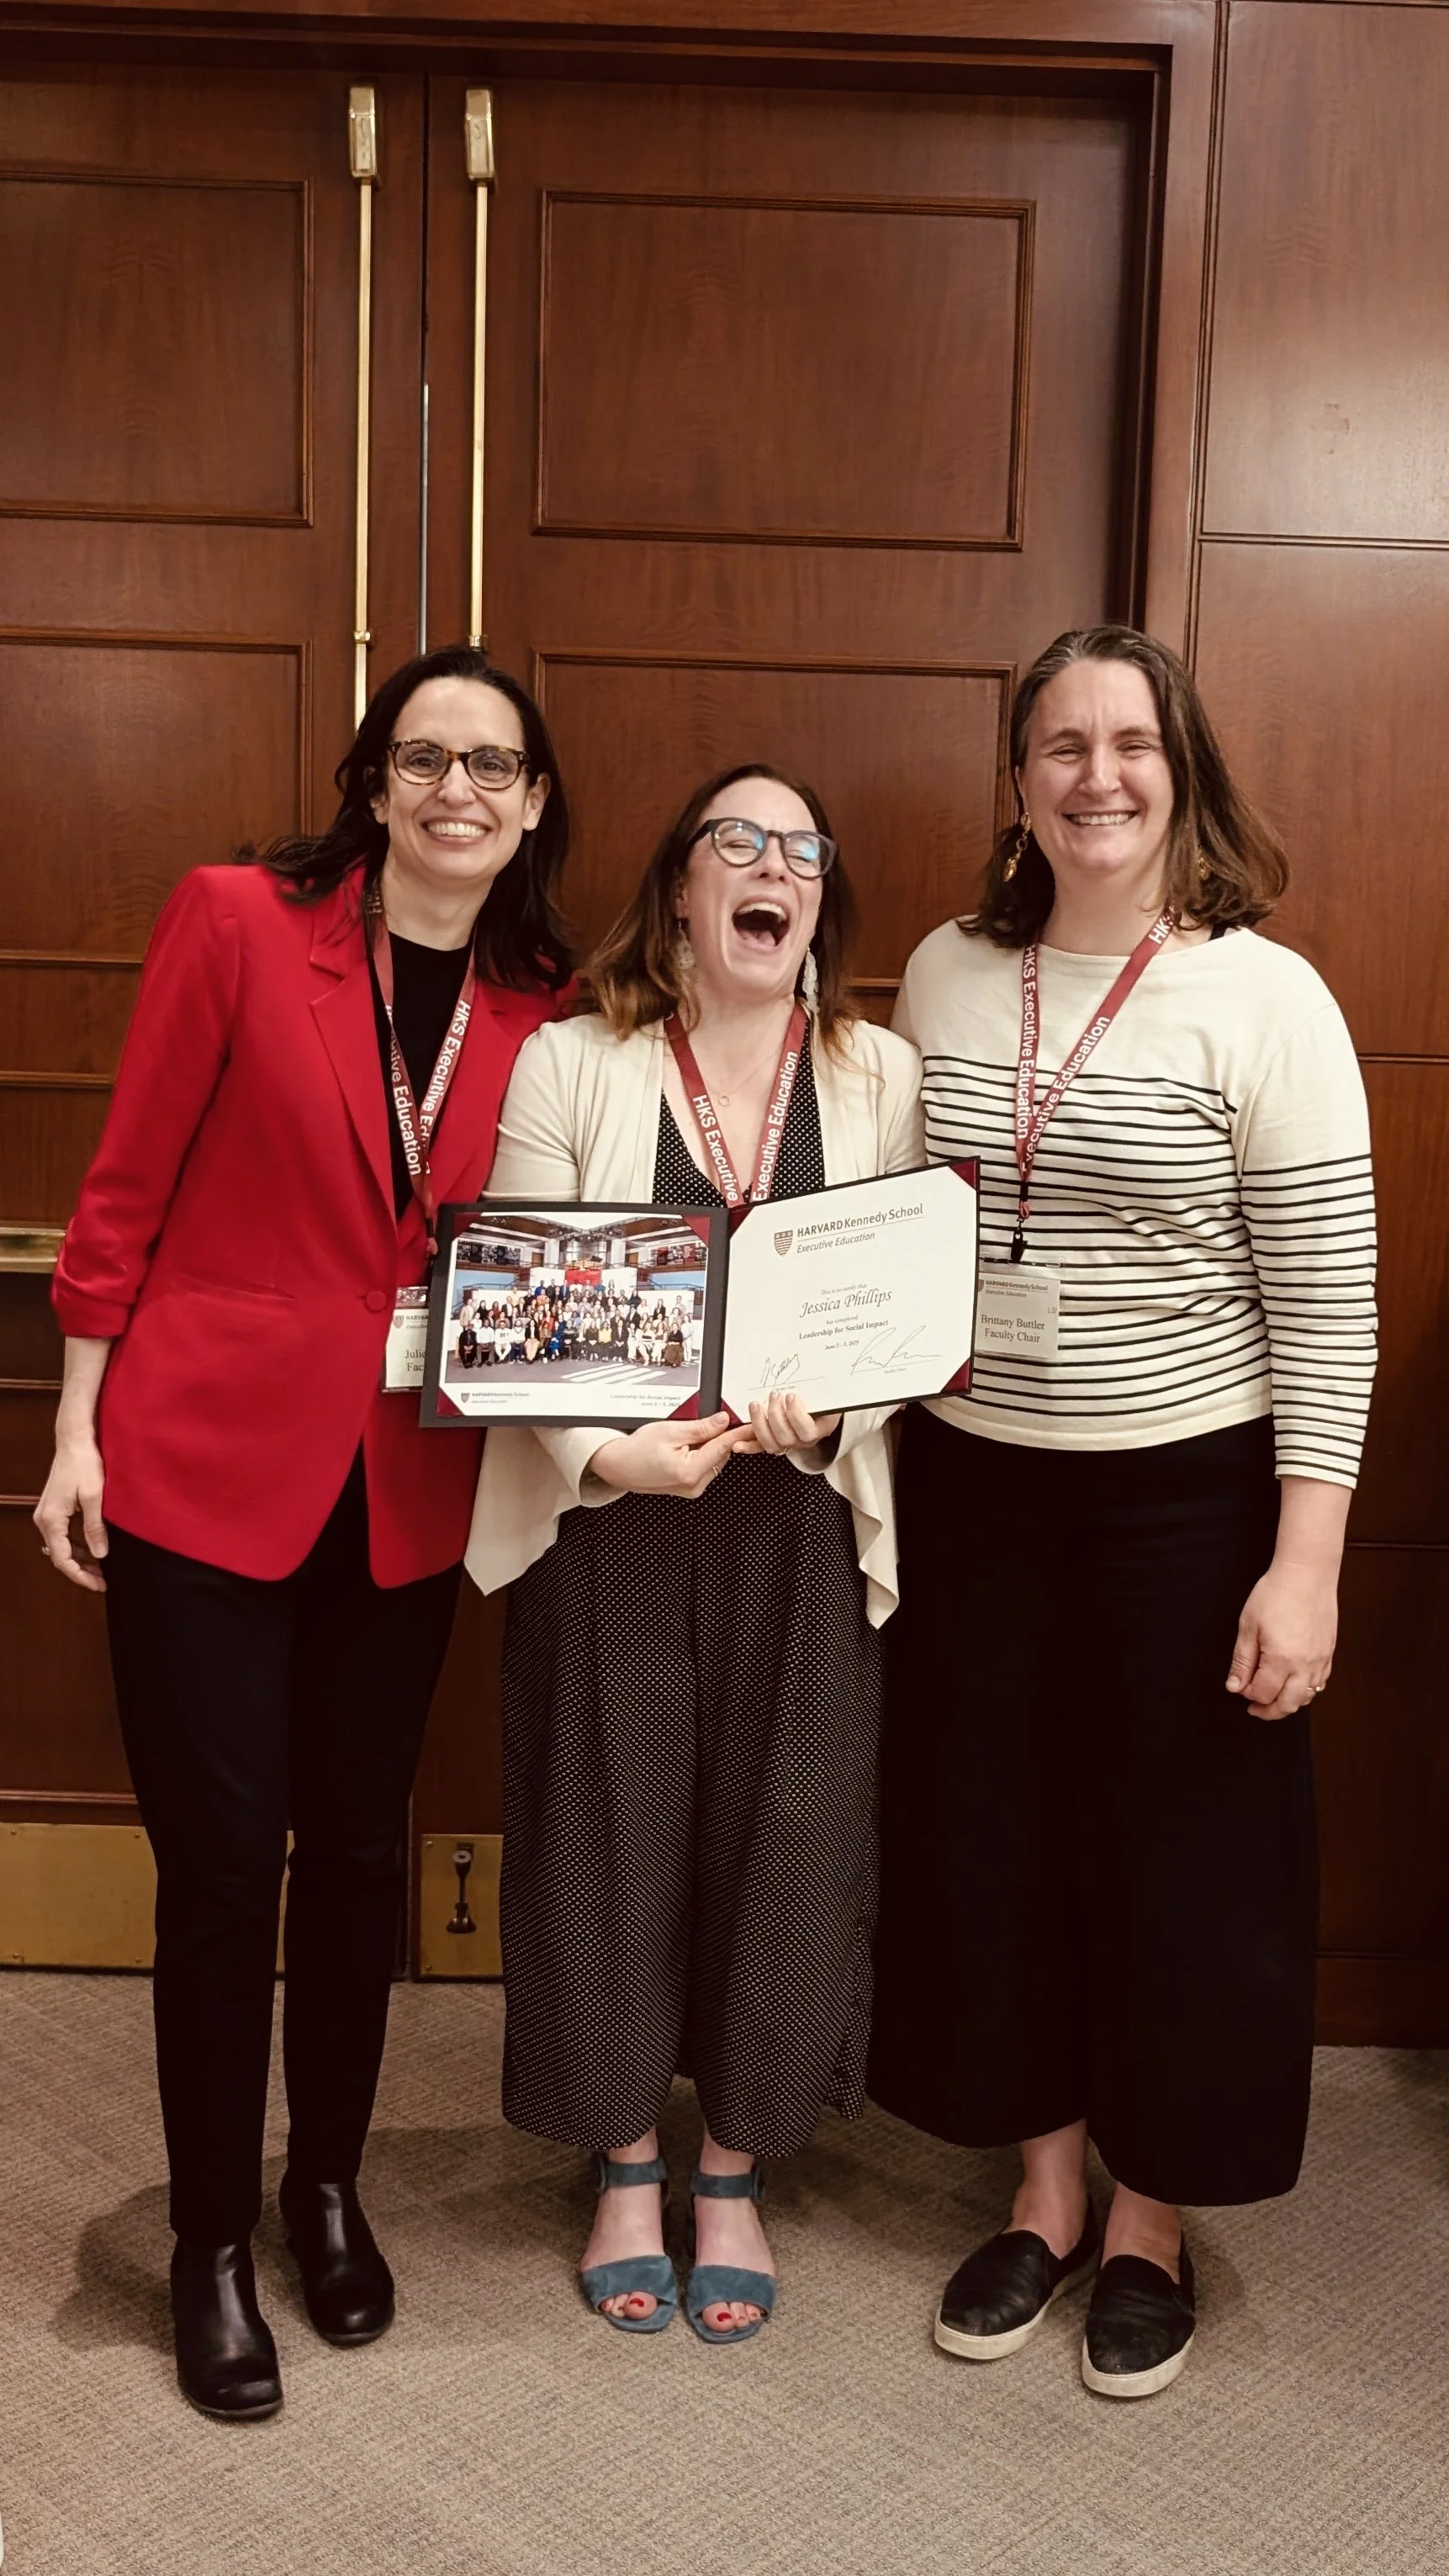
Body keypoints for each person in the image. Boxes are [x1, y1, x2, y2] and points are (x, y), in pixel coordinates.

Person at [34, 644, 570, 2421]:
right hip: (201, 1461)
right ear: (372, 781)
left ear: (533, 803)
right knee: (218, 1870)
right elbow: (125, 1179)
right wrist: (77, 1424)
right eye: (424, 758)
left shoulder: (545, 1003)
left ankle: (320, 2189)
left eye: (493, 765)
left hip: (403, 1487)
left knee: (356, 1858)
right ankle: (206, 2244)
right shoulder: (239, 922)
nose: (457, 791)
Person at [867, 627, 1377, 2399]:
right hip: (975, 1482)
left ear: (1182, 772)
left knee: (1186, 1869)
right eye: (1062, 745)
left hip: (1190, 1493)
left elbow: (1330, 1299)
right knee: (993, 1840)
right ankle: (1045, 2188)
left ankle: (1152, 2219)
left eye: (1132, 743)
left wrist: (1303, 1562)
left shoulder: (1262, 993)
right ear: (1017, 782)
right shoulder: (940, 971)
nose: (1098, 775)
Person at [468, 764, 923, 2341]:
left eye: (802, 848)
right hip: (612, 1523)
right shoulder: (571, 1062)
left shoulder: (877, 1072)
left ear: (818, 903)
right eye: (739, 840)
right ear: (679, 888)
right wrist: (608, 1456)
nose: (772, 867)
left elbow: (903, 1306)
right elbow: (515, 1314)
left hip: (796, 1525)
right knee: (602, 1836)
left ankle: (731, 2166)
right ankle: (625, 2158)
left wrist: (832, 1412)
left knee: (790, 1839)